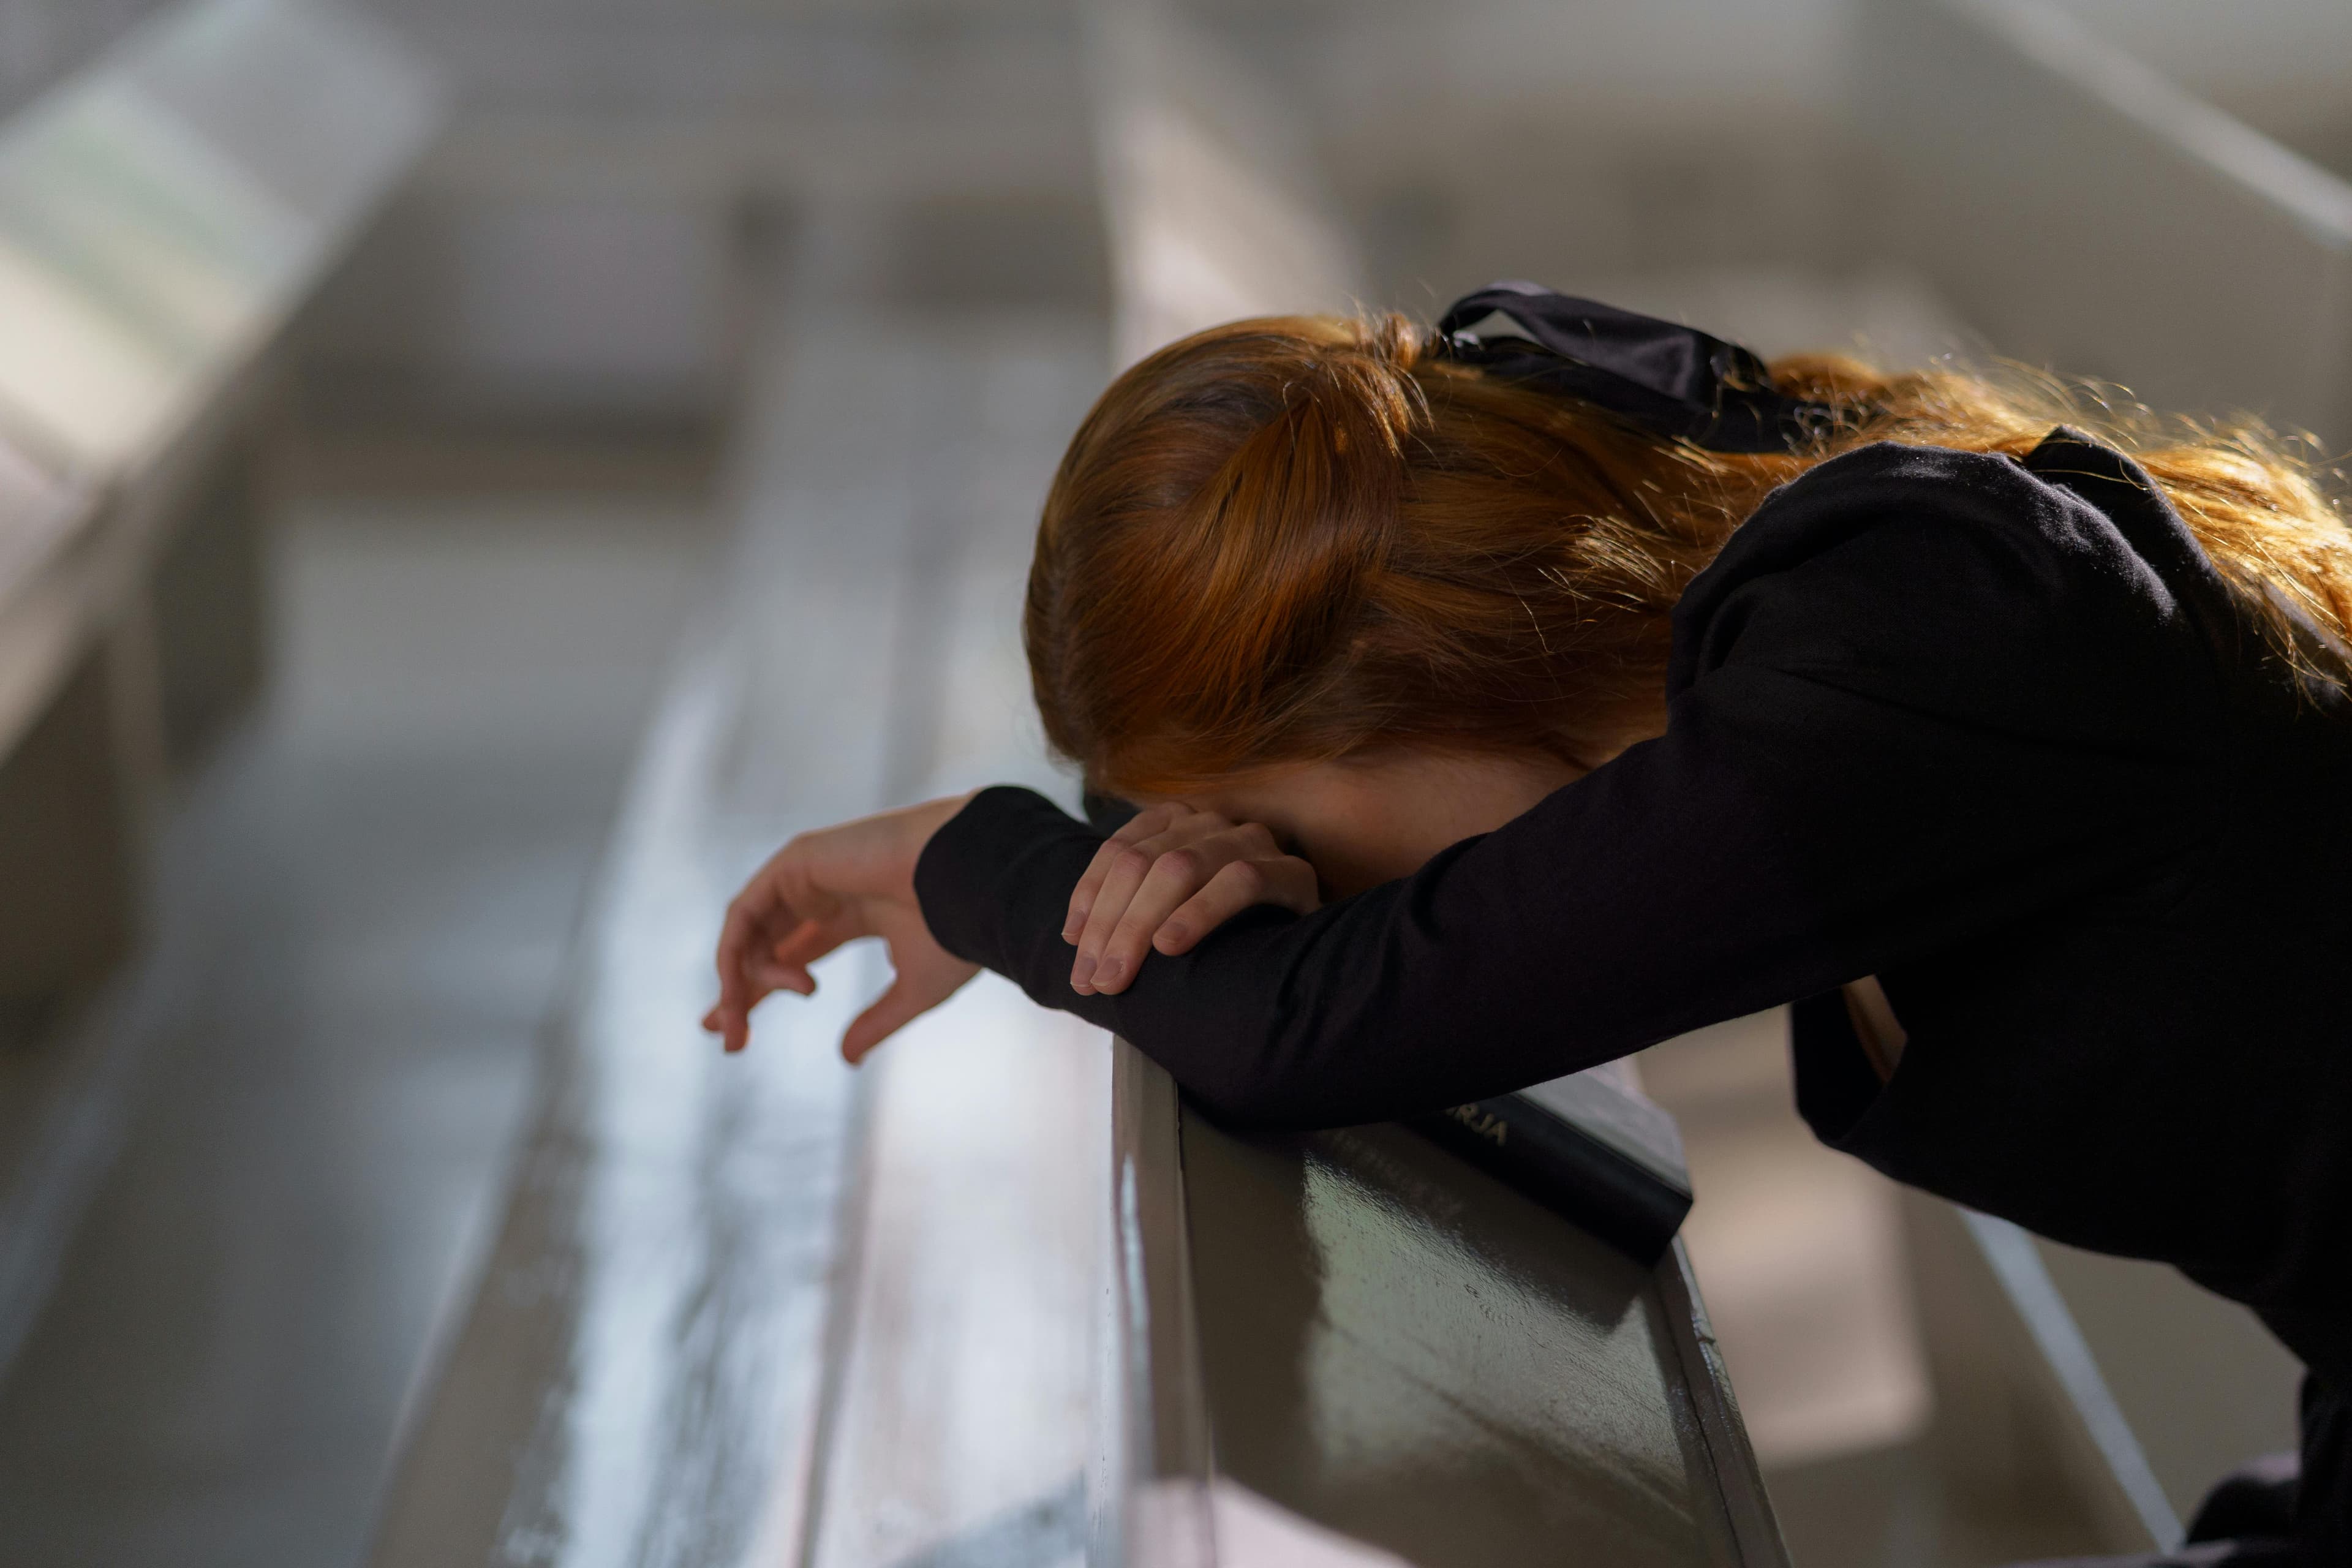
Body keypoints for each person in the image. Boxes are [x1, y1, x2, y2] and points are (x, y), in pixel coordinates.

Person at [702, 284, 2352, 1566]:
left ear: (1406, 682)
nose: (1298, 889)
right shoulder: (1848, 631)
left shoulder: (1901, 648)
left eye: (1278, 828)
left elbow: (1322, 1031)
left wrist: (974, 865)